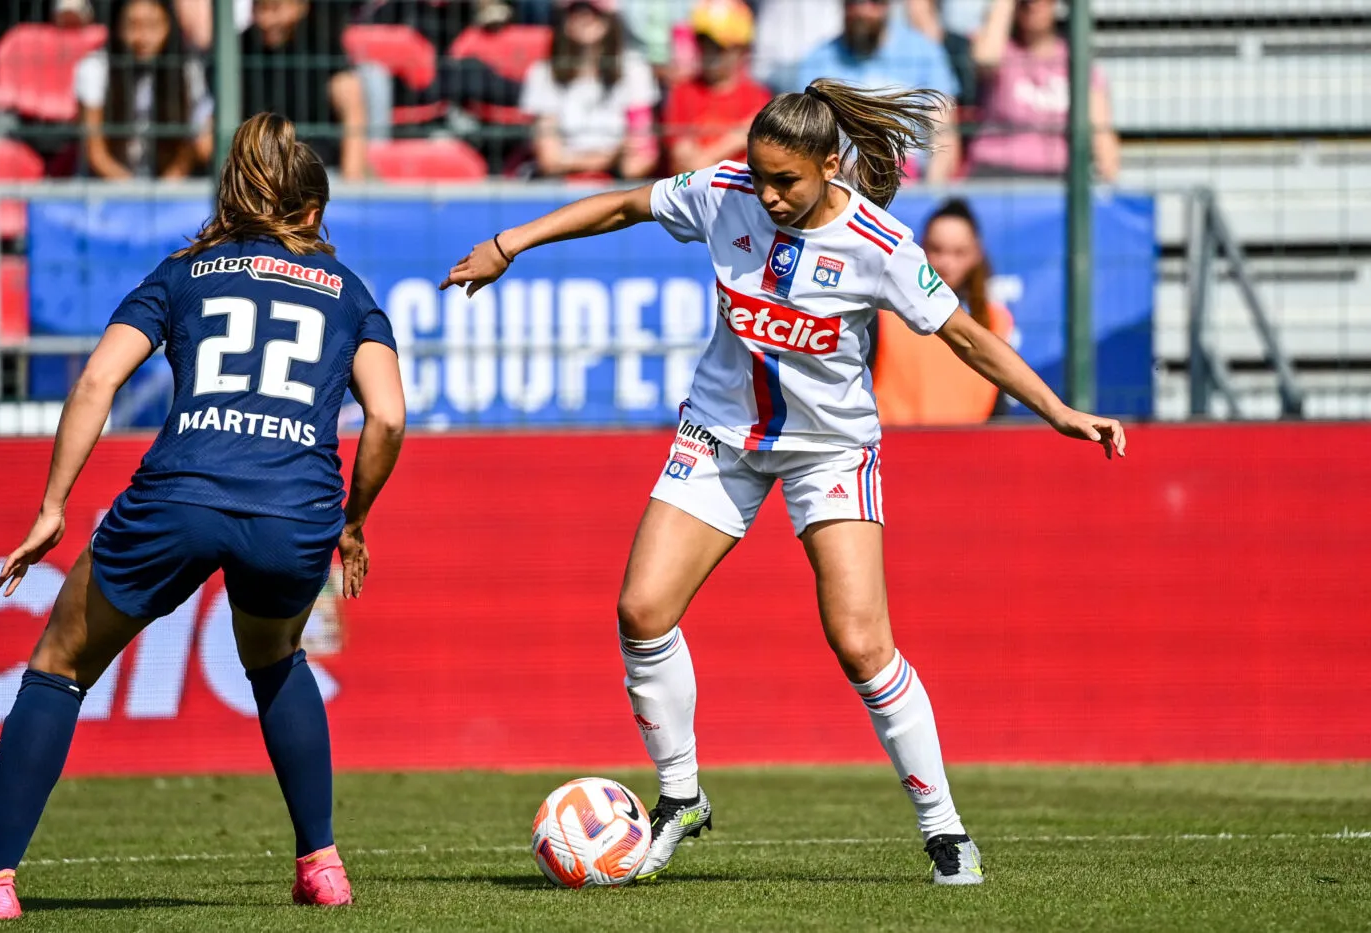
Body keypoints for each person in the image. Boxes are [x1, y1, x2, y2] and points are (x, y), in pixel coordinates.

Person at [442, 79, 1126, 885]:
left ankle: (946, 831)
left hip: (830, 451)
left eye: (785, 182)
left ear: (831, 166)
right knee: (641, 609)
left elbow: (968, 338)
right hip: (721, 434)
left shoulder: (880, 246)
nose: (764, 194)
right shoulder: (723, 192)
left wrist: (1055, 409)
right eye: (757, 174)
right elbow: (624, 205)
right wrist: (510, 241)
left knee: (862, 644)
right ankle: (681, 797)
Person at [0, 113, 406, 920]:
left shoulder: (184, 272)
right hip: (294, 507)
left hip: (180, 493)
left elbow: (99, 381)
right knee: (275, 659)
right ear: (312, 213)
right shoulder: (348, 291)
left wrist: (53, 506)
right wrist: (352, 520)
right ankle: (322, 864)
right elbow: (386, 417)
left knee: (60, 660)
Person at [873, 197, 1015, 424]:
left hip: (967, 450)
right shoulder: (885, 312)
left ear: (977, 254)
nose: (947, 263)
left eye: (959, 252)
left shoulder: (997, 320)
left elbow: (997, 408)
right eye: (937, 250)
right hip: (895, 446)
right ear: (921, 249)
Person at [794, 0, 961, 182]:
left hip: (915, 183)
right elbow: (808, 139)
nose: (863, 11)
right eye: (853, 3)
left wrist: (929, 192)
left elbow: (944, 132)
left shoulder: (924, 52)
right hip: (842, 185)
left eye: (875, 2)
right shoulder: (817, 61)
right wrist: (858, 178)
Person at [968, 0, 1120, 180]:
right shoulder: (1002, 52)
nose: (1033, 5)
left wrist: (1111, 179)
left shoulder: (1076, 62)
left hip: (1058, 177)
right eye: (1024, 1)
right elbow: (985, 60)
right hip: (998, 173)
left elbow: (1101, 131)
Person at [519, 0, 658, 180]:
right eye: (575, 11)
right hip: (560, 184)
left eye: (593, 10)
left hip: (617, 184)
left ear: (610, 18)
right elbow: (549, 159)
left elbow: (640, 159)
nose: (584, 17)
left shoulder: (635, 70)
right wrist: (610, 157)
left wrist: (575, 161)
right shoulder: (543, 74)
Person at [76, 0, 213, 179]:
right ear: (117, 26)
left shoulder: (188, 69)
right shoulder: (95, 67)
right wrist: (135, 193)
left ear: (169, 25)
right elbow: (95, 152)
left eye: (153, 25)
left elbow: (199, 140)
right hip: (109, 187)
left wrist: (168, 184)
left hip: (172, 187)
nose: (143, 37)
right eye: (133, 25)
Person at [241, 0, 368, 179]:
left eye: (275, 9)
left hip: (316, 169)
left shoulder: (323, 47)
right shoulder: (241, 47)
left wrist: (351, 181)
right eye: (259, 9)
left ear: (301, 7)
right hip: (256, 169)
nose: (266, 19)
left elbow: (352, 110)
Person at [662, 0, 772, 175]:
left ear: (741, 50)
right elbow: (683, 163)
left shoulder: (759, 97)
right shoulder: (682, 92)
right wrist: (737, 138)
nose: (709, 53)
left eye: (719, 47)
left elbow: (758, 166)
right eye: (704, 44)